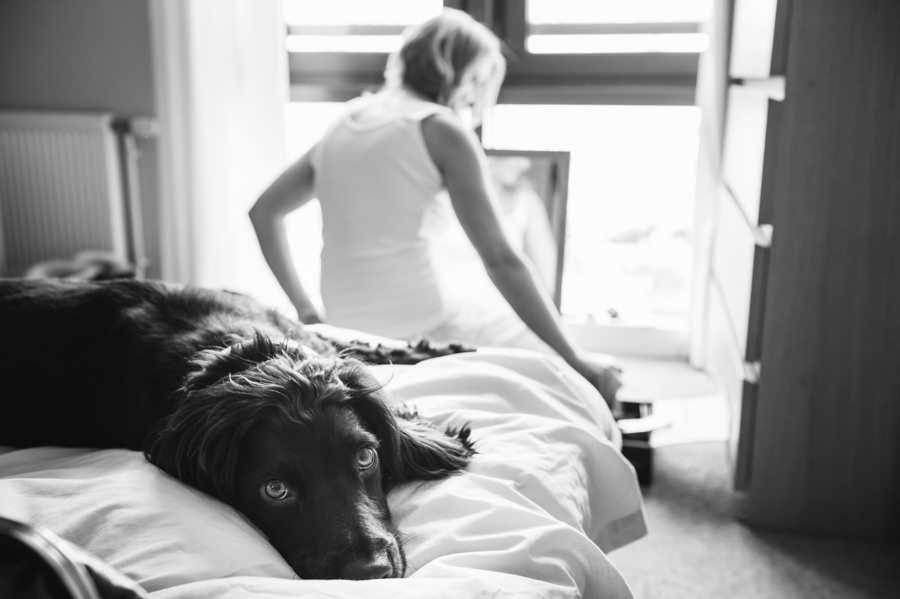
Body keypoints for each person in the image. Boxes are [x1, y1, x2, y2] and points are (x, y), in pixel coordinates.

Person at [249, 8, 621, 406]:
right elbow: (501, 260)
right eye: (477, 82)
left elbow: (264, 212)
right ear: (461, 75)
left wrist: (308, 313)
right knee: (567, 378)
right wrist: (576, 359)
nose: (473, 97)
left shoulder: (346, 121)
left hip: (346, 325)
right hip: (422, 322)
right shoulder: (441, 128)